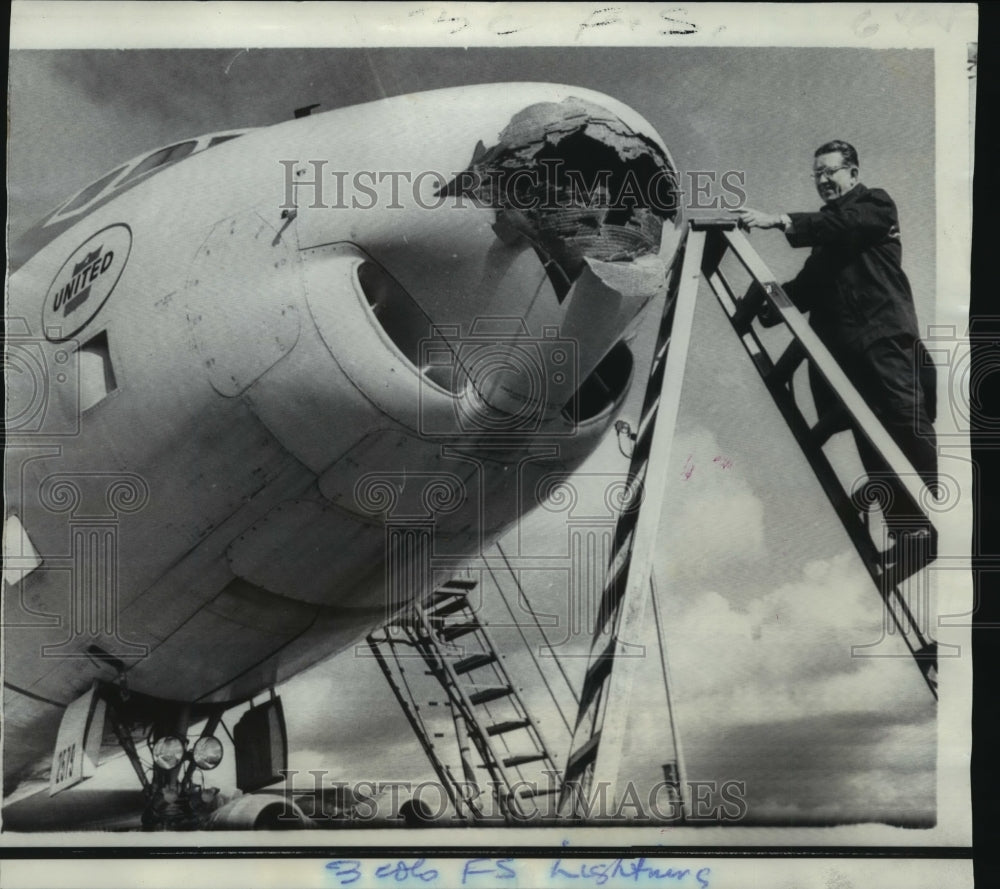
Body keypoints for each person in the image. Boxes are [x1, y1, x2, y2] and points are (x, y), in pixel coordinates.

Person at [736, 140, 937, 547]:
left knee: (904, 417)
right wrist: (765, 305)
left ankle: (935, 505)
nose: (823, 180)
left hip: (883, 338)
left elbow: (848, 225)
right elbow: (808, 286)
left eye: (830, 172)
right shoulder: (827, 236)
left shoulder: (875, 205)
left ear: (853, 174)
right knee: (869, 438)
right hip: (847, 356)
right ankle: (907, 529)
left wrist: (778, 220)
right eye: (817, 175)